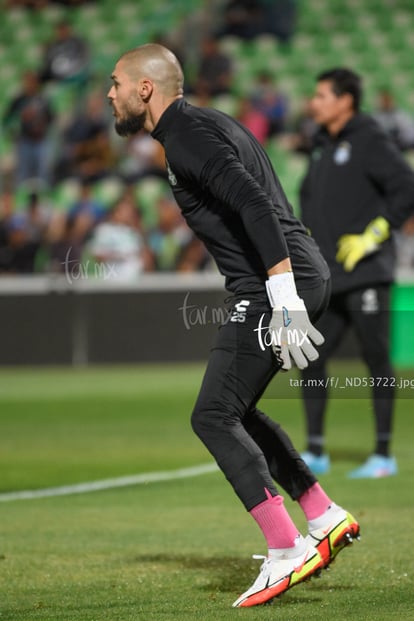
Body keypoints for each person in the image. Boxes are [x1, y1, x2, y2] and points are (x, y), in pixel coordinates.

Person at [107, 44, 359, 608]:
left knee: (213, 415)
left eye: (116, 82)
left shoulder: (186, 137)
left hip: (274, 285)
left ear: (145, 89)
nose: (110, 94)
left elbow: (253, 205)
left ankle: (286, 548)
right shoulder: (205, 123)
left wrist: (284, 297)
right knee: (235, 408)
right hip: (287, 277)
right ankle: (322, 513)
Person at [299, 68, 414, 478]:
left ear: (345, 100)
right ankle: (315, 451)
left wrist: (373, 235)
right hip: (329, 275)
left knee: (376, 358)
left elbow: (407, 188)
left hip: (367, 272)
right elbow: (309, 200)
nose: (314, 103)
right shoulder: (319, 145)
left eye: (322, 95)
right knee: (310, 354)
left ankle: (383, 455)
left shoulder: (369, 139)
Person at [3, 71, 55, 187]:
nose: (30, 84)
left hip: (41, 141)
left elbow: (52, 118)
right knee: (23, 175)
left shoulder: (43, 100)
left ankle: (42, 201)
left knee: (43, 174)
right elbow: (7, 120)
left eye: (32, 81)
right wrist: (19, 118)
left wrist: (42, 122)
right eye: (27, 82)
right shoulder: (19, 100)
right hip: (24, 141)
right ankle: (22, 201)